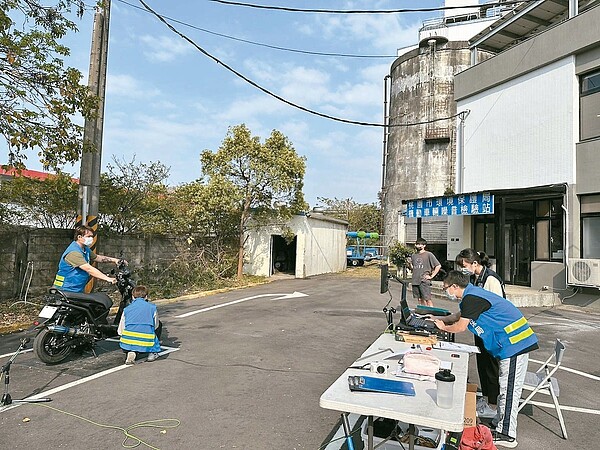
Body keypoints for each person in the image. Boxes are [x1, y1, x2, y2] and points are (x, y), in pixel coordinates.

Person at [434, 271, 538, 448]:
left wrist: (443, 327)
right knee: (505, 387)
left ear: (454, 286)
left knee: (509, 390)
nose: (446, 292)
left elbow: (459, 326)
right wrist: (440, 319)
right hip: (509, 345)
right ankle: (501, 424)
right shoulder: (472, 295)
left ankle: (508, 434)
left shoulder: (471, 298)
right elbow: (458, 316)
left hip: (514, 344)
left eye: (445, 288)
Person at [456, 248, 506, 420]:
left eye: (464, 265)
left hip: (493, 332)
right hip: (481, 329)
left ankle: (493, 404)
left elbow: (497, 306)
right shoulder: (476, 278)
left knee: (491, 367)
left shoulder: (491, 279)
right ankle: (486, 398)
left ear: (475, 263)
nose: (463, 269)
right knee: (482, 365)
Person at [53, 225, 121, 292]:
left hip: (75, 289)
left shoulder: (84, 249)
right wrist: (108, 279)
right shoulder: (74, 252)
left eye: (92, 236)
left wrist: (115, 260)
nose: (91, 239)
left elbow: (97, 257)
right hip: (65, 289)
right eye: (88, 236)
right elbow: (89, 269)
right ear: (79, 237)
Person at [118, 285, 162, 364]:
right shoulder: (152, 308)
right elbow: (156, 325)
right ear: (146, 297)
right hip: (147, 342)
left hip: (127, 343)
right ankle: (152, 353)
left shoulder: (127, 309)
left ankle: (131, 351)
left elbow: (120, 330)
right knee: (159, 325)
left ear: (132, 297)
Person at [406, 237, 441, 307]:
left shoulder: (428, 254)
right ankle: (423, 313)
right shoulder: (413, 255)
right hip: (415, 280)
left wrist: (431, 276)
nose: (418, 246)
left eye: (420, 244)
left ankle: (431, 314)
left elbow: (438, 266)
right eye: (417, 244)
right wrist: (409, 263)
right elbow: (413, 268)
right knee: (419, 299)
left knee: (427, 299)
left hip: (424, 281)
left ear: (424, 245)